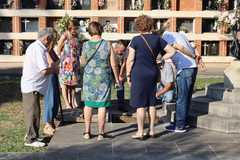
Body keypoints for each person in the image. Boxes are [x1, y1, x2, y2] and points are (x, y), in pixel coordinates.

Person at [126, 15, 177, 140]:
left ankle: (140, 132)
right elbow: (173, 51)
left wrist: (128, 75)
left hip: (139, 74)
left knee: (141, 104)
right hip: (153, 72)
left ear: (138, 26)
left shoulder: (136, 40)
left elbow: (130, 59)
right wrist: (160, 58)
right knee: (151, 102)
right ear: (151, 25)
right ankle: (152, 131)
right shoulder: (157, 40)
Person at [155, 29, 207, 132]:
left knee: (182, 98)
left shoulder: (165, 37)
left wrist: (160, 59)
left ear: (159, 37)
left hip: (185, 68)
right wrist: (198, 59)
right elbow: (192, 48)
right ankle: (183, 122)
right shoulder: (177, 34)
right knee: (186, 97)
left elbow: (181, 48)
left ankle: (180, 125)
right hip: (192, 67)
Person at [82, 22, 120, 140]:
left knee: (88, 105)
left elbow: (83, 60)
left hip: (88, 78)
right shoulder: (107, 44)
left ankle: (87, 132)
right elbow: (114, 64)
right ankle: (101, 133)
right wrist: (117, 79)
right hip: (103, 78)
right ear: (100, 30)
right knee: (102, 105)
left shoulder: (85, 45)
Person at [21, 27, 58, 147]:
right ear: (47, 38)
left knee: (34, 111)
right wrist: (54, 70)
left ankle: (33, 134)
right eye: (52, 38)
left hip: (33, 85)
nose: (52, 40)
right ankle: (31, 139)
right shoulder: (38, 49)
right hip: (31, 85)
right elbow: (44, 70)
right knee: (32, 113)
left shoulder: (37, 47)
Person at [57, 19, 81, 109]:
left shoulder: (77, 36)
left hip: (75, 64)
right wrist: (65, 59)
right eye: (74, 29)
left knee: (73, 84)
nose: (75, 31)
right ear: (69, 28)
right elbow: (58, 49)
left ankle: (72, 102)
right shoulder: (64, 36)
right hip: (66, 65)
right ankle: (67, 103)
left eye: (76, 29)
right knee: (65, 84)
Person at [43, 28, 60, 135]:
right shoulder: (46, 50)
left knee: (55, 99)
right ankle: (47, 124)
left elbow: (57, 60)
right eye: (54, 38)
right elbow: (52, 64)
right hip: (50, 76)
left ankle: (52, 121)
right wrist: (57, 62)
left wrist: (57, 62)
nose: (55, 40)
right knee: (50, 100)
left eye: (56, 38)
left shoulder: (52, 50)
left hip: (54, 75)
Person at [112, 40, 128, 112]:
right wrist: (116, 76)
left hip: (117, 66)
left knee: (120, 83)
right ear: (116, 48)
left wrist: (120, 75)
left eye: (124, 51)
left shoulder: (125, 49)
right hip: (108, 66)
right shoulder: (110, 48)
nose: (123, 53)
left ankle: (121, 105)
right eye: (121, 51)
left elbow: (124, 63)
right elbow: (112, 65)